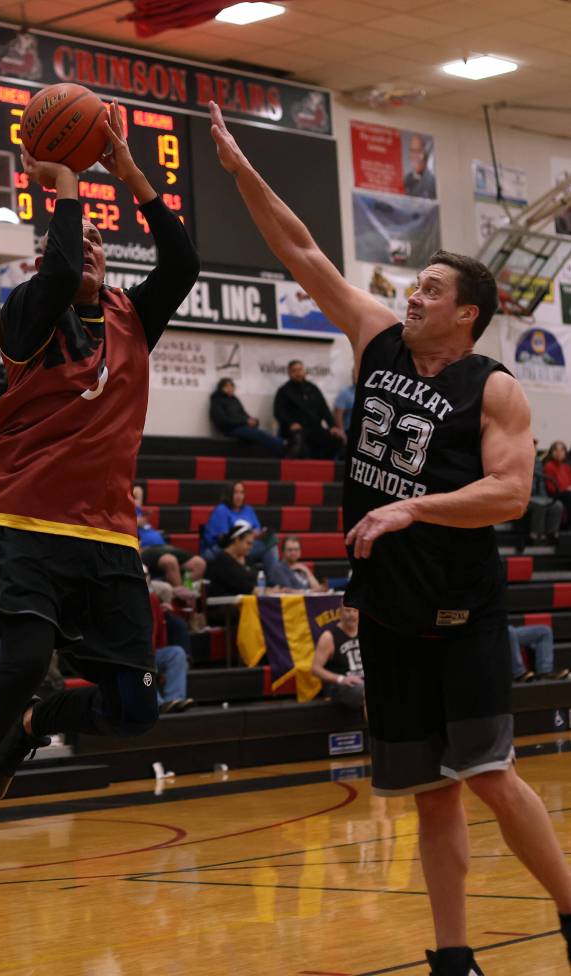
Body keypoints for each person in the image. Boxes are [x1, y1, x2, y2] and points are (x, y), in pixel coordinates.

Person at [209, 100, 571, 975]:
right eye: (415, 286)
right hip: (386, 614)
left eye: (431, 290)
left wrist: (413, 507)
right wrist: (241, 172)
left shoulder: (493, 389)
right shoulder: (376, 340)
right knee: (428, 797)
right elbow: (301, 251)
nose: (412, 294)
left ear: (466, 315)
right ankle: (452, 958)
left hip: (461, 612)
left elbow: (509, 493)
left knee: (488, 776)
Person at [0, 100, 200, 916]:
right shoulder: (29, 314)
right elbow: (60, 270)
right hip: (25, 517)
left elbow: (182, 260)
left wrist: (129, 175)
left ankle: (33, 727)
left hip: (108, 534)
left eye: (98, 240)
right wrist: (63, 181)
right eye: (76, 237)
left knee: (134, 709)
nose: (87, 247)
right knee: (25, 656)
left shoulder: (133, 317)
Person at [201, 480, 278, 579]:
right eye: (236, 492)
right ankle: (274, 581)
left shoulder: (248, 510)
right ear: (229, 494)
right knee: (270, 544)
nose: (239, 496)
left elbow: (256, 530)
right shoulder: (222, 510)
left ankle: (273, 581)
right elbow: (223, 540)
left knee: (269, 543)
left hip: (247, 546)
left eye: (242, 492)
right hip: (224, 549)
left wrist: (259, 534)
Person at [133, 485, 206, 587]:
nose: (135, 501)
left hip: (164, 547)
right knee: (170, 560)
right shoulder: (124, 514)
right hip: (146, 549)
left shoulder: (137, 510)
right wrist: (136, 521)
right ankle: (180, 593)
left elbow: (138, 490)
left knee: (199, 563)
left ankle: (185, 588)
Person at [273, 360, 344, 459]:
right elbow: (278, 412)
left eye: (300, 369)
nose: (298, 373)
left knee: (337, 438)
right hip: (296, 430)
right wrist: (291, 423)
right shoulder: (284, 391)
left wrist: (332, 426)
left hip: (315, 429)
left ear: (304, 371)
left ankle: (323, 465)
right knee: (300, 441)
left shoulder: (313, 388)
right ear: (289, 373)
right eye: (294, 370)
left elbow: (324, 409)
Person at [209, 378, 286, 457]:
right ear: (220, 388)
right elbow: (223, 421)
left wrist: (254, 421)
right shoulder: (217, 401)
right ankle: (283, 445)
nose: (230, 388)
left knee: (262, 433)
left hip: (242, 426)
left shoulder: (235, 399)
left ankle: (283, 449)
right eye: (226, 386)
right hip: (230, 429)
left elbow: (244, 414)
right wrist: (245, 422)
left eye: (231, 386)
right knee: (259, 434)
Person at [311, 606, 364, 709]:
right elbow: (315, 669)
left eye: (355, 611)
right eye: (348, 610)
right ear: (340, 612)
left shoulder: (366, 632)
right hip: (340, 686)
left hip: (362, 683)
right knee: (362, 689)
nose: (352, 614)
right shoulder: (329, 636)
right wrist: (341, 679)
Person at [150, 592, 193, 713]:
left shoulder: (152, 598)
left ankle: (173, 700)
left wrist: (163, 669)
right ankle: (156, 703)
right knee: (140, 658)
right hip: (132, 656)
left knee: (176, 653)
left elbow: (160, 636)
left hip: (151, 653)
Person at [206, 520, 271, 598]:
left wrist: (270, 590)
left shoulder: (247, 559)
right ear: (237, 540)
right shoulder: (222, 561)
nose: (251, 547)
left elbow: (256, 582)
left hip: (247, 600)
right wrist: (265, 591)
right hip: (226, 603)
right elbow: (241, 586)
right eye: (248, 543)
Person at [525, 444, 563, 544]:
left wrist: (544, 497)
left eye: (534, 448)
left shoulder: (537, 463)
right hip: (524, 496)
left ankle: (551, 534)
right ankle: (536, 535)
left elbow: (541, 481)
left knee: (557, 505)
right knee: (540, 505)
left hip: (538, 496)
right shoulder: (517, 461)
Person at [543, 441, 571, 527]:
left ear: (565, 453)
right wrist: (566, 489)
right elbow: (551, 488)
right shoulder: (549, 466)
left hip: (566, 493)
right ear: (551, 452)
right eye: (556, 450)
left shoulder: (567, 467)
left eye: (562, 450)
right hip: (555, 493)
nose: (559, 452)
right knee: (569, 495)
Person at [404, 133, 437, 200]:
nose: (415, 155)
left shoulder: (432, 183)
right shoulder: (406, 180)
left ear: (425, 154)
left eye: (418, 151)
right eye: (412, 151)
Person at [333, 369, 356, 441]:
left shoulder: (369, 393)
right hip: (350, 431)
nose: (354, 376)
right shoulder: (345, 393)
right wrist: (342, 433)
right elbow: (338, 415)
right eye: (353, 374)